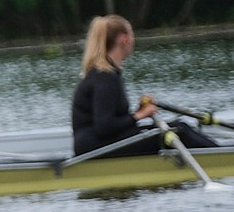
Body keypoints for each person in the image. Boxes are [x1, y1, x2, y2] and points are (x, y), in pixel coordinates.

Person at [71, 15, 218, 158]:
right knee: (179, 131)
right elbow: (104, 127)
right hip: (94, 146)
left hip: (99, 142)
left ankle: (222, 152)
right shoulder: (104, 77)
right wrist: (139, 115)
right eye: (132, 35)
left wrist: (138, 111)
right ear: (124, 39)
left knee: (179, 126)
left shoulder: (106, 73)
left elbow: (112, 120)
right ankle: (227, 156)